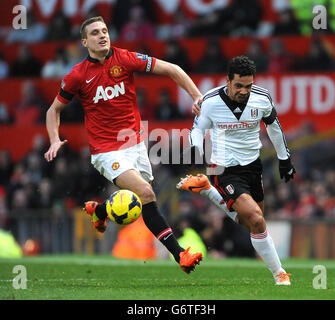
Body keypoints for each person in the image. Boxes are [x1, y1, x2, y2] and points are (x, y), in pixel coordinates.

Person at [44, 16, 203, 273]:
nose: (102, 35)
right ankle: (181, 255)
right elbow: (54, 110)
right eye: (95, 33)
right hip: (106, 151)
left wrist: (197, 96)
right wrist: (54, 139)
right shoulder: (77, 76)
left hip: (136, 145)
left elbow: (173, 69)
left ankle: (101, 210)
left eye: (105, 30)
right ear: (85, 42)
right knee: (147, 193)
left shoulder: (125, 59)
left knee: (145, 201)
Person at [177, 56, 296, 284]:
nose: (244, 91)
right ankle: (280, 274)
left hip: (253, 166)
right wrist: (194, 148)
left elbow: (274, 126)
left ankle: (208, 190)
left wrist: (284, 158)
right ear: (228, 81)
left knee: (249, 223)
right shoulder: (210, 101)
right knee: (256, 219)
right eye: (239, 85)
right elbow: (197, 129)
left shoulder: (261, 99)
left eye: (248, 85)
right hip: (223, 168)